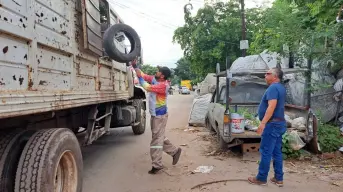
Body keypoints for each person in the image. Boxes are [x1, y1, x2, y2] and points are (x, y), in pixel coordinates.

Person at [134, 65, 182, 174]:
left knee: (156, 140)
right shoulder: (155, 80)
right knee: (158, 136)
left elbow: (146, 86)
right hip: (157, 115)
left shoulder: (163, 86)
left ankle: (157, 165)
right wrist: (135, 66)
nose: (157, 72)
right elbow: (144, 75)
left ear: (162, 76)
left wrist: (139, 78)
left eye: (159, 71)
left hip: (159, 116)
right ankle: (174, 152)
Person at [248, 67, 286, 187]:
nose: (265, 75)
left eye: (268, 73)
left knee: (266, 151)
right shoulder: (281, 87)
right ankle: (278, 178)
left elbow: (271, 106)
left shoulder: (273, 88)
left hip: (272, 124)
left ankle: (261, 178)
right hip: (279, 123)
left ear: (275, 76)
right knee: (276, 152)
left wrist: (263, 123)